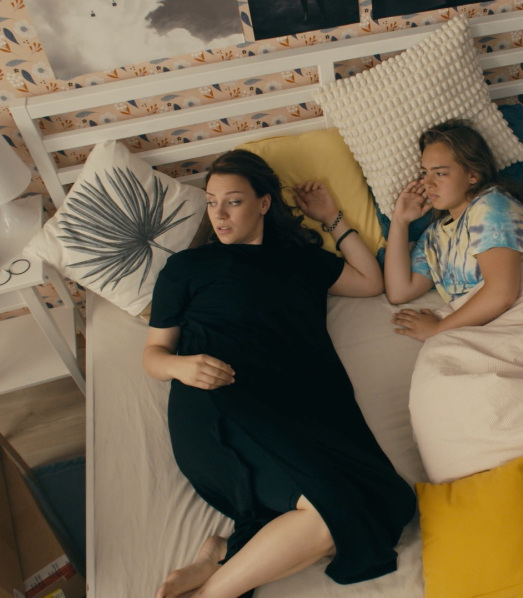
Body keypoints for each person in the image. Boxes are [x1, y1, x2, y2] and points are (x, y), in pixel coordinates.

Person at [142, 150, 415, 598]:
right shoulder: (187, 267)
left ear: (264, 203)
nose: (219, 215)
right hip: (220, 400)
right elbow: (153, 354)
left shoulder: (299, 259)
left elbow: (371, 282)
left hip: (298, 406)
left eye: (233, 202)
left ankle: (221, 555)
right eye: (211, 202)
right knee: (330, 516)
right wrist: (181, 367)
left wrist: (331, 217)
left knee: (386, 501)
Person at [384, 119, 523, 341]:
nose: (428, 183)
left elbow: (502, 293)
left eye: (440, 173)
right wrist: (400, 221)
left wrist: (438, 329)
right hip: (495, 327)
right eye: (425, 172)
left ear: (472, 175)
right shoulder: (435, 236)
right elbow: (399, 292)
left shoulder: (491, 206)